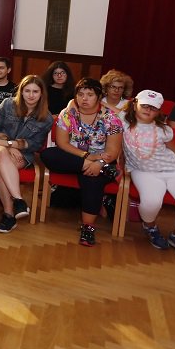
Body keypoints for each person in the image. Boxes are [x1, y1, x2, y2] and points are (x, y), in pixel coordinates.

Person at [40, 78, 123, 247]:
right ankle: (102, 169)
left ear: (99, 97)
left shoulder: (111, 118)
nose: (84, 98)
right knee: (48, 154)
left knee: (93, 179)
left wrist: (99, 162)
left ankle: (88, 228)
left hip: (102, 161)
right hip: (76, 158)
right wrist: (87, 158)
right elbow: (62, 143)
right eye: (80, 94)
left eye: (90, 95)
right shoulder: (68, 114)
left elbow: (113, 150)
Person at [122, 90, 175, 258]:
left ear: (158, 111)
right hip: (143, 171)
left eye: (153, 108)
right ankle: (150, 227)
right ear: (135, 105)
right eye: (145, 105)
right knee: (151, 203)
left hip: (173, 169)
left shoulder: (163, 130)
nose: (148, 110)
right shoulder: (122, 123)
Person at [0, 75, 54, 233]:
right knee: (2, 153)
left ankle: (8, 215)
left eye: (35, 91)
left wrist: (13, 145)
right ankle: (18, 199)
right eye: (27, 91)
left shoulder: (46, 118)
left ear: (41, 94)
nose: (31, 95)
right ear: (21, 91)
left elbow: (35, 144)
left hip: (22, 154)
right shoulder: (8, 104)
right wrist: (8, 145)